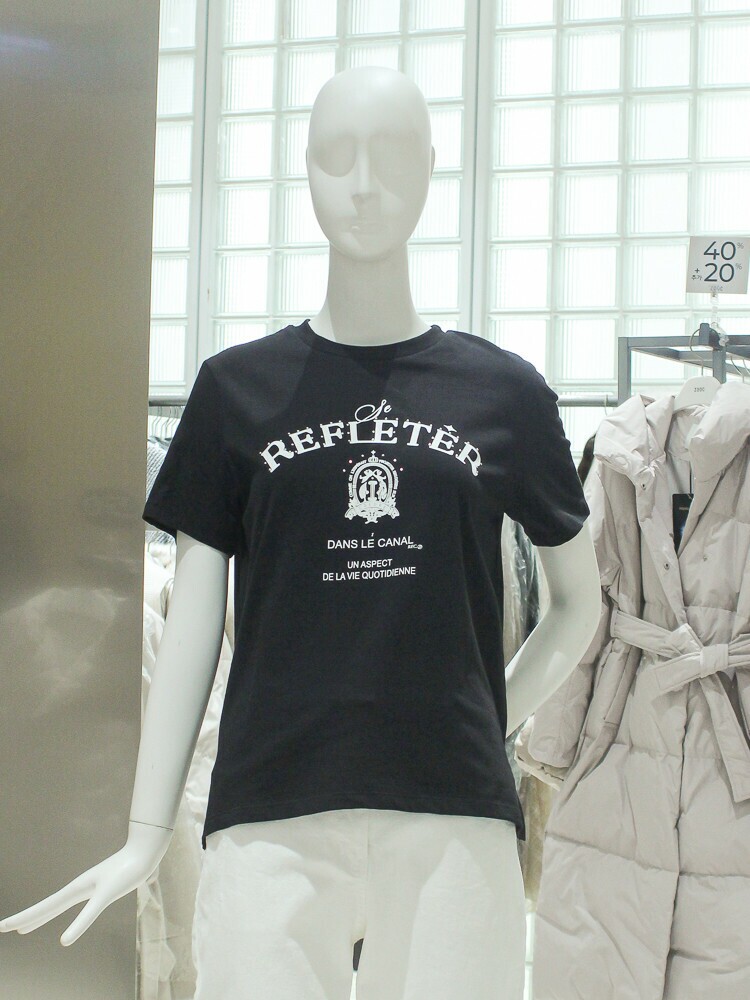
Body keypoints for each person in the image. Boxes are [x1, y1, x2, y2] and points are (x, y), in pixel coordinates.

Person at [0, 66, 601, 1000]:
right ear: (305, 169)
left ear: (431, 168)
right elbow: (192, 626)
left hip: (452, 819)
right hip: (269, 816)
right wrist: (144, 835)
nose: (362, 185)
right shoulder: (234, 391)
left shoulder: (505, 392)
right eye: (335, 156)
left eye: (389, 154)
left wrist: (489, 720)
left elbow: (577, 605)